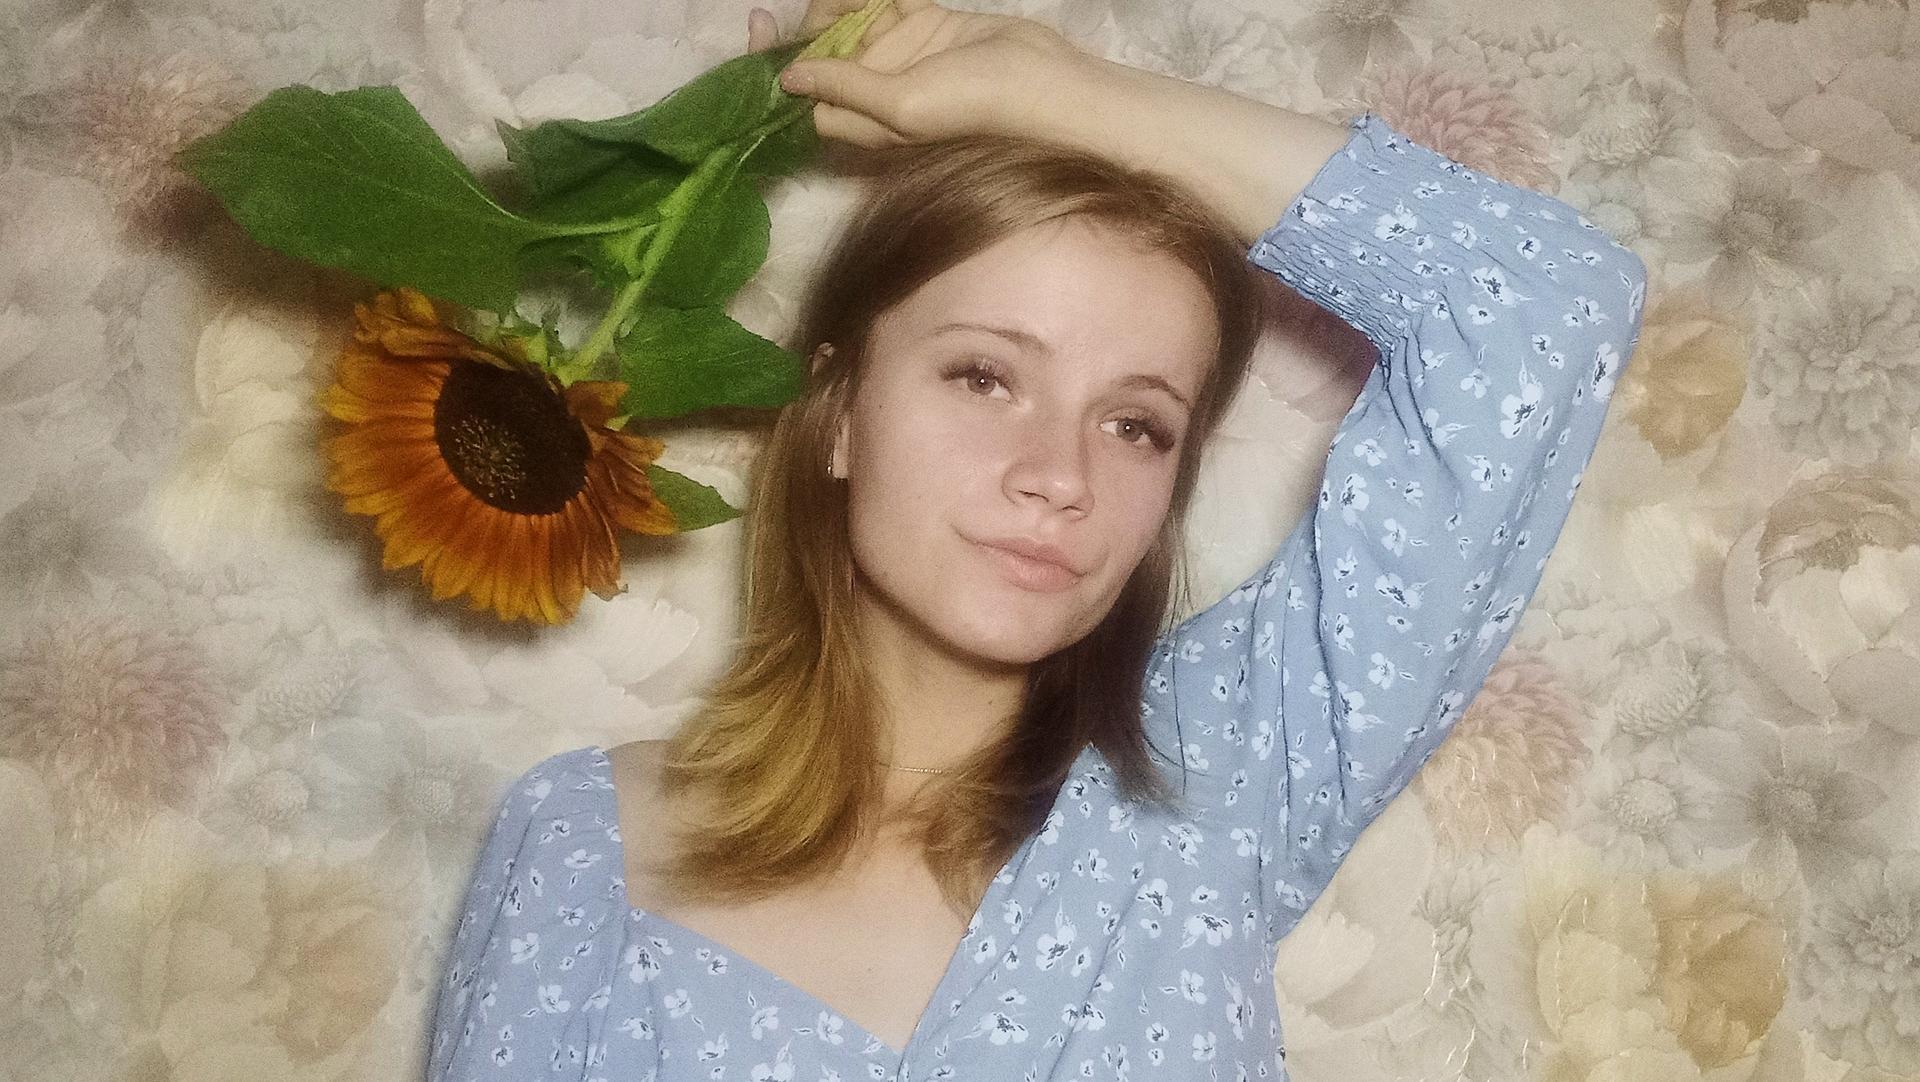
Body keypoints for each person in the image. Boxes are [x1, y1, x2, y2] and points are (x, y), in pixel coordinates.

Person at [425, 1, 1650, 1079]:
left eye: (1135, 424)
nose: (1060, 475)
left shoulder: (1229, 773)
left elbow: (1544, 308)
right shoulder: (582, 842)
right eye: (984, 376)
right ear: (839, 412)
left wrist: (1059, 91)